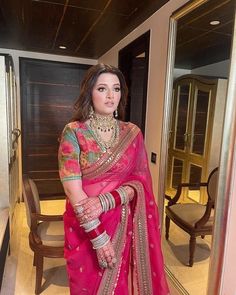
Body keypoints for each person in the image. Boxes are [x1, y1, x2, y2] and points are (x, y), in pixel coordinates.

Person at [58, 63, 169, 295]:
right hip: (86, 227)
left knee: (122, 283)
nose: (110, 96)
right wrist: (98, 238)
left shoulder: (133, 133)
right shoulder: (74, 131)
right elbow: (73, 191)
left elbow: (140, 184)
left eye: (116, 89)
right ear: (89, 92)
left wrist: (105, 201)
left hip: (123, 223)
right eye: (102, 89)